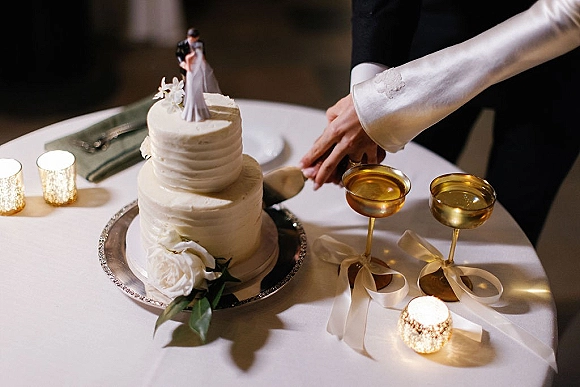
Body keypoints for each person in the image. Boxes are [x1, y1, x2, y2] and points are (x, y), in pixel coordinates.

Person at [299, 0, 580, 246]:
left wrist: (379, 104)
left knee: (515, 226)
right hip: (439, 28)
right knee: (409, 200)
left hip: (561, 65)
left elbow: (569, 12)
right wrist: (369, 94)